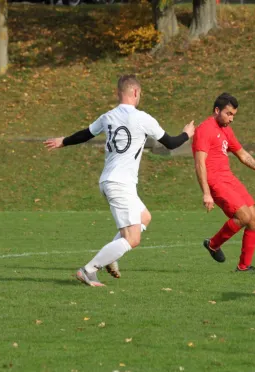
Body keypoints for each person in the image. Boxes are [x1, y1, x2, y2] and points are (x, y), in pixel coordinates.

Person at [44, 74, 195, 287]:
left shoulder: (108, 116)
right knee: (133, 239)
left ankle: (111, 257)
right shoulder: (143, 118)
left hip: (111, 180)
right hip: (120, 184)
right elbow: (171, 143)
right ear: (135, 92)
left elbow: (86, 134)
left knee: (144, 217)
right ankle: (88, 270)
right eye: (139, 93)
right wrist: (187, 133)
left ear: (118, 93)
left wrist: (63, 141)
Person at [192, 93, 255, 272]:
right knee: (244, 217)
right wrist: (206, 193)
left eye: (233, 115)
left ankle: (244, 267)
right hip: (215, 182)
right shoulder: (204, 130)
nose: (231, 119)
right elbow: (200, 163)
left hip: (229, 179)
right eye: (228, 114)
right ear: (217, 110)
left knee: (254, 220)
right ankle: (213, 244)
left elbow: (243, 155)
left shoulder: (226, 130)